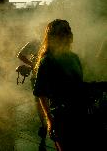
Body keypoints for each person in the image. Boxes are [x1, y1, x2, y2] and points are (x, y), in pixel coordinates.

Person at [33, 19, 98, 150]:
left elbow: (77, 85)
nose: (68, 34)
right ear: (53, 36)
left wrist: (94, 87)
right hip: (61, 118)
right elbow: (41, 93)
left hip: (80, 114)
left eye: (68, 30)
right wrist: (49, 120)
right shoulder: (47, 61)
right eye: (63, 31)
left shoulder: (74, 57)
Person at [17, 39, 48, 147]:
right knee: (43, 99)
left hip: (38, 75)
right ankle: (47, 123)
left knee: (39, 100)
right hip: (44, 75)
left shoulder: (35, 42)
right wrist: (33, 64)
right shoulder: (51, 42)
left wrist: (32, 64)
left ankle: (45, 124)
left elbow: (20, 55)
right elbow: (20, 55)